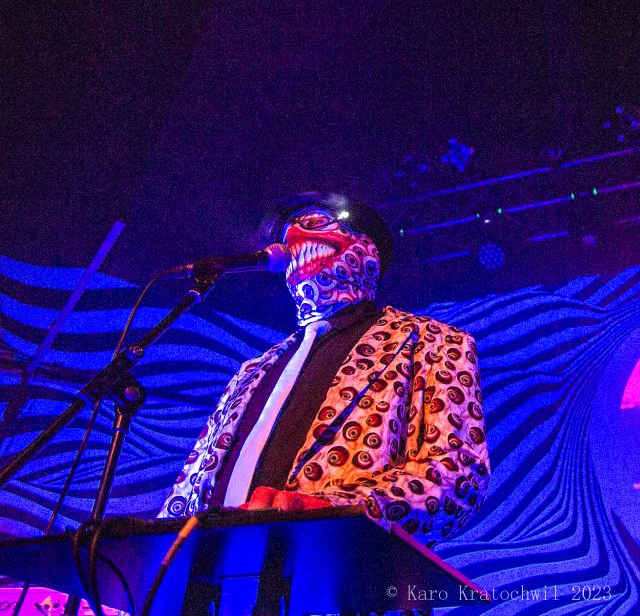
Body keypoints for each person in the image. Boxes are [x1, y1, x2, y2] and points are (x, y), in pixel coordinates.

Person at [158, 192, 490, 555]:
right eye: (287, 233)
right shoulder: (250, 372)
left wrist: (334, 511)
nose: (294, 238)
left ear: (368, 249)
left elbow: (458, 471)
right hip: (204, 571)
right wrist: (149, 559)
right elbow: (191, 484)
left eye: (315, 224)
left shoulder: (432, 341)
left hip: (332, 568)